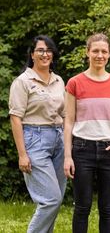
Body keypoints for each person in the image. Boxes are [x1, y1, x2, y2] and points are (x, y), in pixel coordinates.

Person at [63, 33, 110, 233]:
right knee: (82, 207)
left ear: (109, 54)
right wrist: (67, 156)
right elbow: (69, 120)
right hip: (82, 149)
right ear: (87, 52)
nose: (100, 55)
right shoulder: (75, 83)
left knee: (107, 208)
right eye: (95, 51)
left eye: (104, 51)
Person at [9, 35, 66, 233]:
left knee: (56, 199)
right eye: (40, 50)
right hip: (35, 139)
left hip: (59, 140)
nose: (45, 54)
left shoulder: (58, 80)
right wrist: (22, 154)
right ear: (32, 54)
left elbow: (65, 114)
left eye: (48, 50)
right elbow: (16, 118)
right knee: (51, 200)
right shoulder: (23, 81)